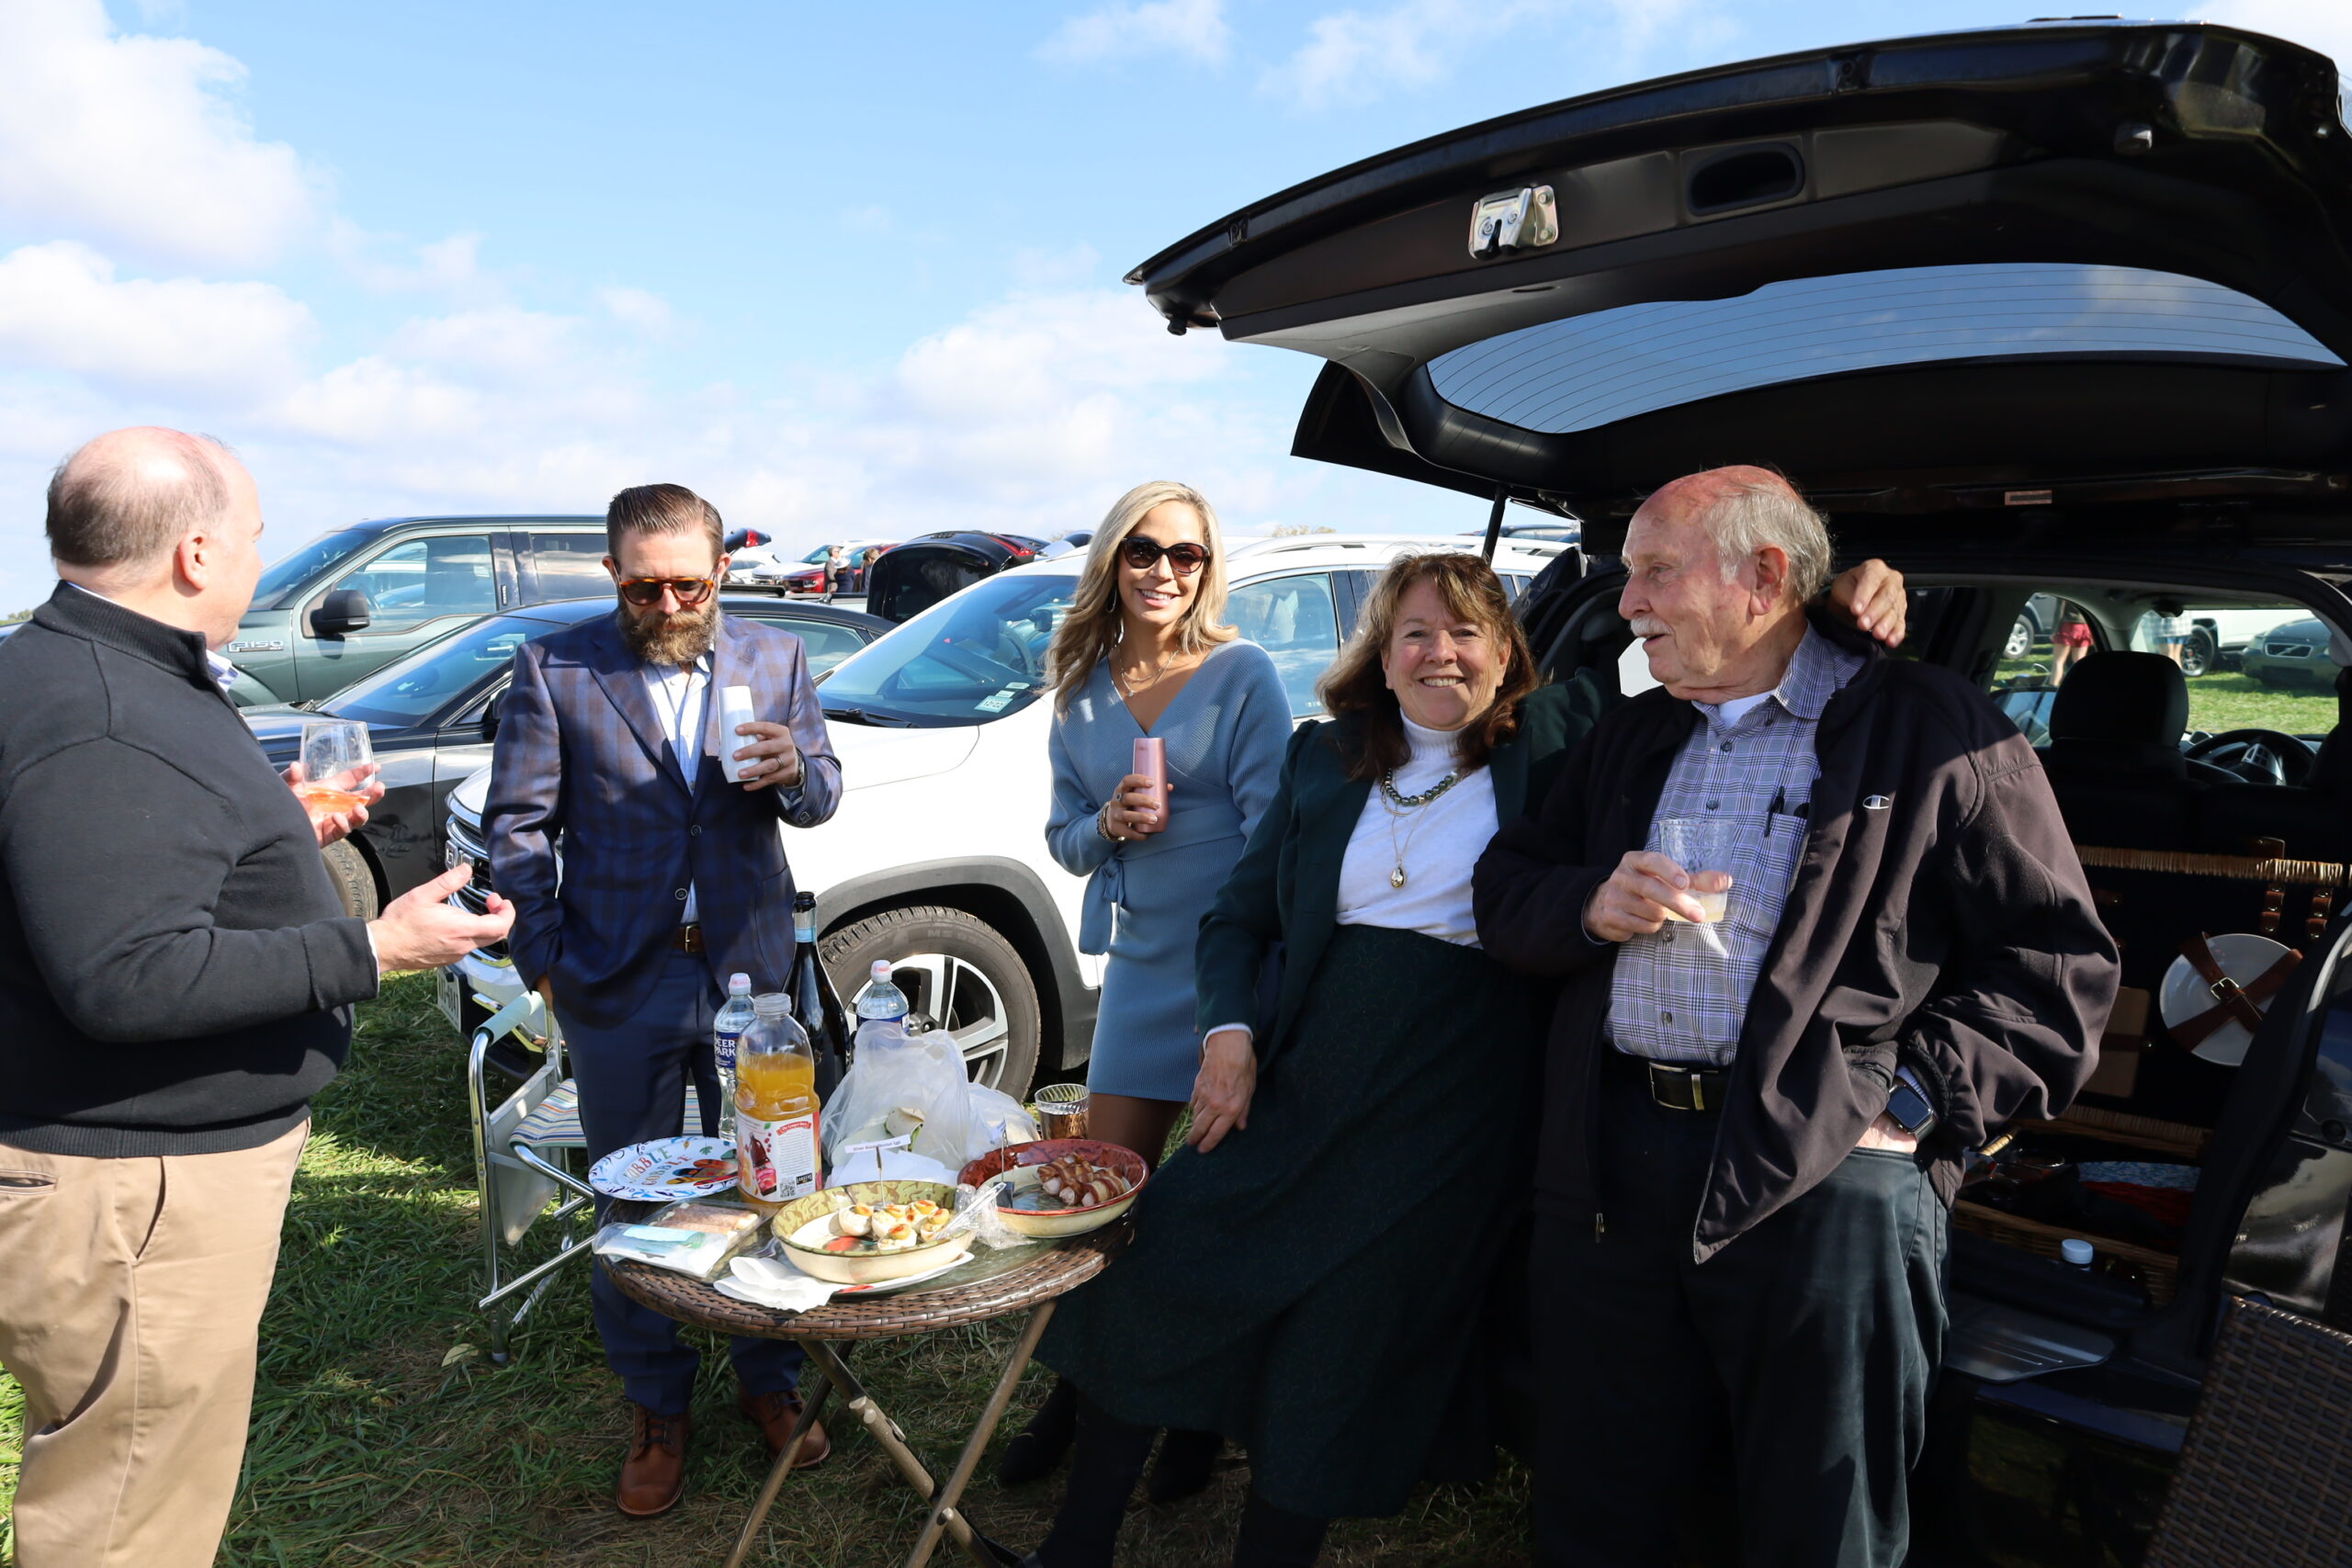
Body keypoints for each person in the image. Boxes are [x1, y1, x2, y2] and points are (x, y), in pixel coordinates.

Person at [1021, 547, 1915, 1568]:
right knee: (1162, 1269)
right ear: (1382, 656)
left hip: (1456, 1103)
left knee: (1340, 1343)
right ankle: (1072, 1548)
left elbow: (1718, 636)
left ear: (1504, 657)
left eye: (1464, 633)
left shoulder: (1560, 736)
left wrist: (1842, 591)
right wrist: (1227, 1037)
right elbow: (1235, 921)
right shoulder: (1325, 758)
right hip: (1306, 1075)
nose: (1438, 653)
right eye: (1414, 633)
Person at [1473, 468, 2119, 1568]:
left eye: (1655, 571)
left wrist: (1912, 1100)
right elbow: (1507, 885)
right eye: (1628, 574)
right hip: (1611, 1169)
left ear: (1764, 576)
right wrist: (1585, 906)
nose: (1626, 602)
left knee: (1819, 1512)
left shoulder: (1924, 728)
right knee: (1602, 1493)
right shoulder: (1633, 736)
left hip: (1827, 1169)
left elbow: (2053, 966)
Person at [0, 427, 512, 1568]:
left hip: (118, 1176)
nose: (253, 563)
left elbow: (115, 862)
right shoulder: (108, 712)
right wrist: (375, 947)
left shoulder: (77, 670)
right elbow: (125, 974)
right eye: (251, 540)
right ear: (192, 552)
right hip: (136, 1194)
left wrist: (275, 821)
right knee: (128, 1521)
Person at [484, 482, 842, 1517]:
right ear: (613, 575)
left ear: (721, 571)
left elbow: (819, 791)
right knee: (633, 1202)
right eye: (647, 584)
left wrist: (793, 774)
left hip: (748, 972)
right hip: (618, 980)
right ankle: (655, 1403)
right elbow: (517, 831)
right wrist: (547, 966)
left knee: (768, 1178)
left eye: (690, 581)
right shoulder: (558, 668)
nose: (671, 602)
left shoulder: (772, 658)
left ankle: (768, 1379)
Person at [1002, 481, 1292, 1494]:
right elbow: (1063, 840)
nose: (1164, 571)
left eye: (1187, 555)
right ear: (1111, 564)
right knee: (1102, 1203)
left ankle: (1197, 1416)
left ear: (1209, 571)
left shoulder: (1242, 674)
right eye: (1142, 551)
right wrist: (1109, 827)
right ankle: (1074, 1397)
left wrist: (1254, 994)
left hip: (1229, 974)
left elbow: (1273, 842)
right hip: (1137, 966)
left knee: (1210, 1208)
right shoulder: (1079, 687)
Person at [2050, 603, 2093, 683]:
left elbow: (2060, 608)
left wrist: (2054, 630)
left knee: (2058, 661)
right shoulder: (2090, 589)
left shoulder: (2064, 589)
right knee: (2079, 662)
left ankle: (2052, 689)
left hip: (2068, 625)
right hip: (2084, 625)